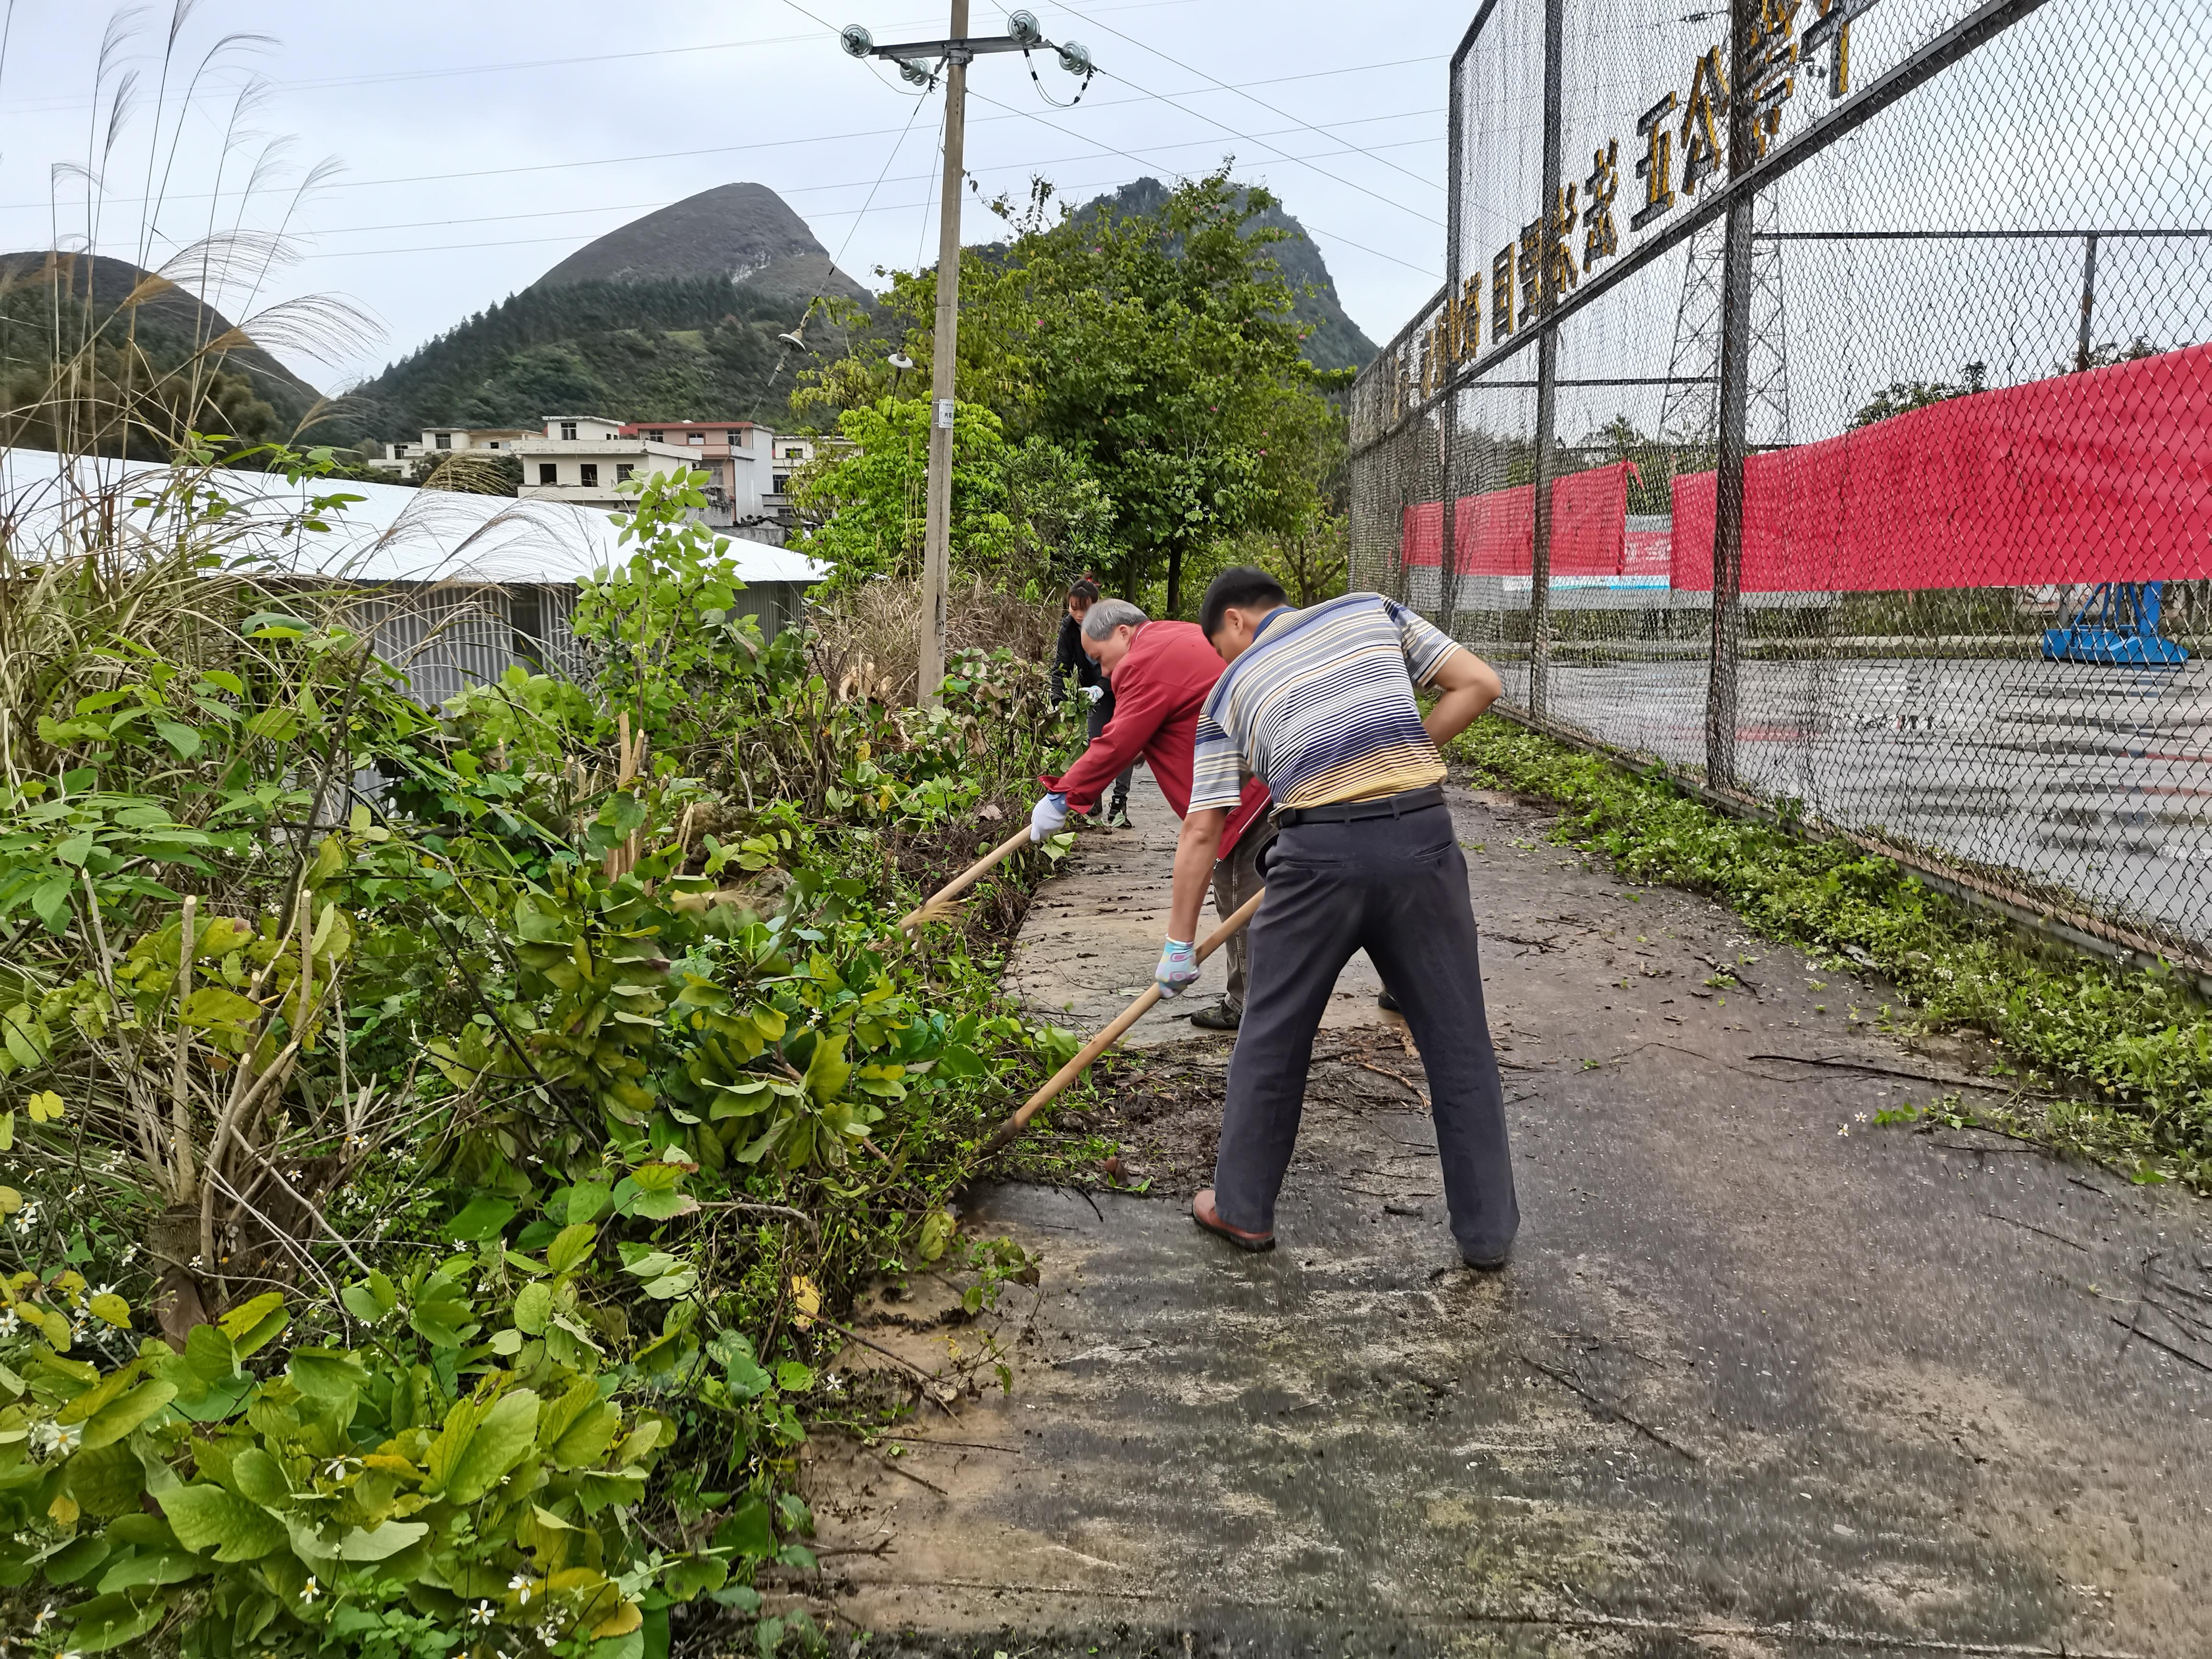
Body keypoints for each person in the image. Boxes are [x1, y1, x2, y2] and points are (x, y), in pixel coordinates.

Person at [1160, 566, 1519, 1271]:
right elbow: (1480, 685)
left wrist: (1179, 944)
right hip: (1422, 842)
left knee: (1271, 1036)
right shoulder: (1371, 611)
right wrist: (1399, 758)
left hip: (1313, 855)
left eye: (1222, 647)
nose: (1228, 662)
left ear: (1235, 622)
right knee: (1457, 1038)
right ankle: (1486, 1233)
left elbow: (1203, 830)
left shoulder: (1227, 693)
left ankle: (1242, 1209)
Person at [1029, 599, 1272, 1021]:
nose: (1105, 673)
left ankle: (1246, 1005)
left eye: (1101, 659)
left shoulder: (1140, 663)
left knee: (1236, 890)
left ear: (1123, 633)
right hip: (1275, 772)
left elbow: (1116, 741)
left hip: (1242, 797)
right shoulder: (1175, 633)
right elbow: (1174, 712)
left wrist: (1063, 795)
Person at [1050, 578, 1132, 829]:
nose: (1078, 614)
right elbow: (1061, 667)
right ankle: (1093, 799)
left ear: (1096, 606)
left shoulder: (1113, 626)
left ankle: (1119, 801)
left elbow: (1124, 662)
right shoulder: (1069, 629)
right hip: (1092, 693)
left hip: (1122, 687)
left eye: (1084, 608)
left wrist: (1102, 687)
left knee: (1125, 743)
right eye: (1073, 608)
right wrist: (1057, 701)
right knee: (1095, 742)